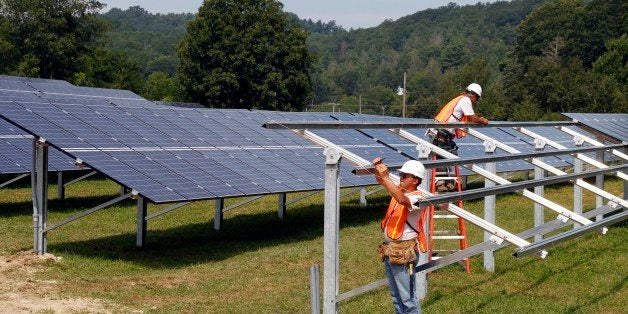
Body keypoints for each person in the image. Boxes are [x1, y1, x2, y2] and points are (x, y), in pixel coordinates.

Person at [372, 157, 428, 314]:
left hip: (405, 252)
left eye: (405, 176)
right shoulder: (400, 191)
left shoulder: (418, 199)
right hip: (392, 250)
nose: (401, 178)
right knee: (396, 297)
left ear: (415, 180)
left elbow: (403, 200)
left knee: (408, 298)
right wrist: (378, 169)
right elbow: (383, 182)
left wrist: (385, 177)